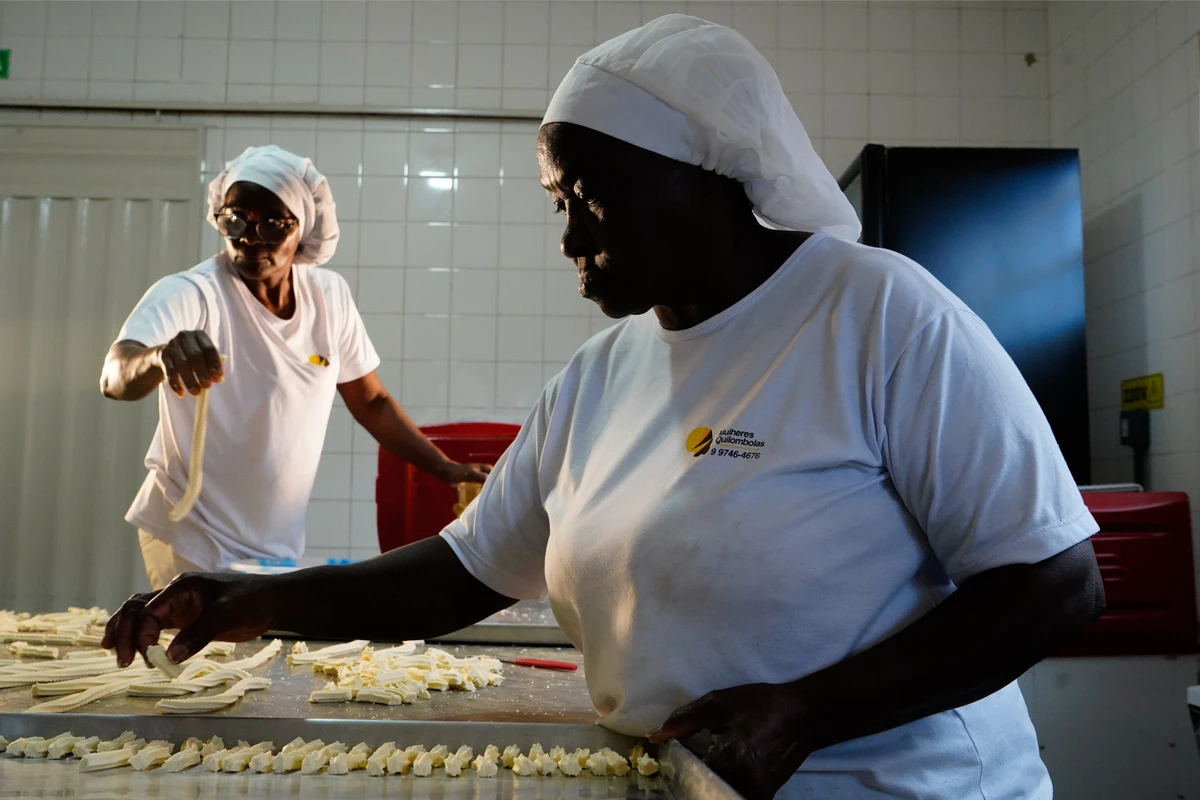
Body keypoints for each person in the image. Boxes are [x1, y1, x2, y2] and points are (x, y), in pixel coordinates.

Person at [103, 18, 1104, 799]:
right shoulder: (600, 371)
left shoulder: (877, 312)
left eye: (595, 193)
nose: (571, 232)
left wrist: (802, 712)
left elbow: (1054, 582)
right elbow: (457, 574)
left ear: (710, 175)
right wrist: (239, 597)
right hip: (692, 780)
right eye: (558, 200)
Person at [100, 145, 490, 590]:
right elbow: (114, 376)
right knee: (204, 659)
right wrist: (158, 356)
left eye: (271, 224)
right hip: (191, 535)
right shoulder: (192, 294)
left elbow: (373, 401)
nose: (250, 237)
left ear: (303, 228)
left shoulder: (329, 296)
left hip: (276, 542)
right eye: (235, 220)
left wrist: (445, 468)